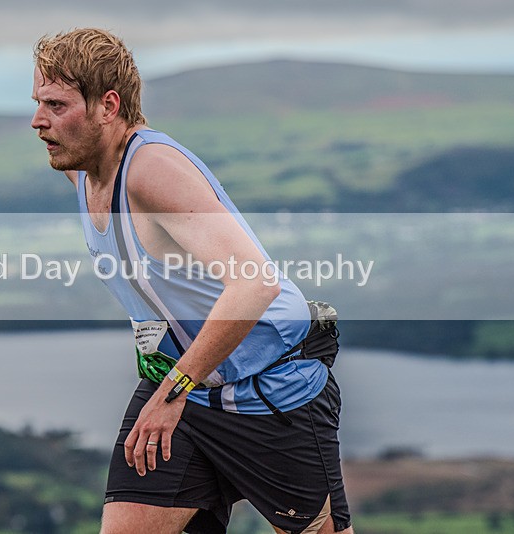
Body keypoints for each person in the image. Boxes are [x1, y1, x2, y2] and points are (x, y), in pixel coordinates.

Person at [30, 28, 354, 534]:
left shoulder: (153, 170)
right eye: (37, 102)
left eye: (56, 104)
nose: (37, 121)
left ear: (108, 105)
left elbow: (255, 284)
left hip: (270, 390)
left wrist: (173, 391)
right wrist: (177, 388)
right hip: (184, 384)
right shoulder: (85, 169)